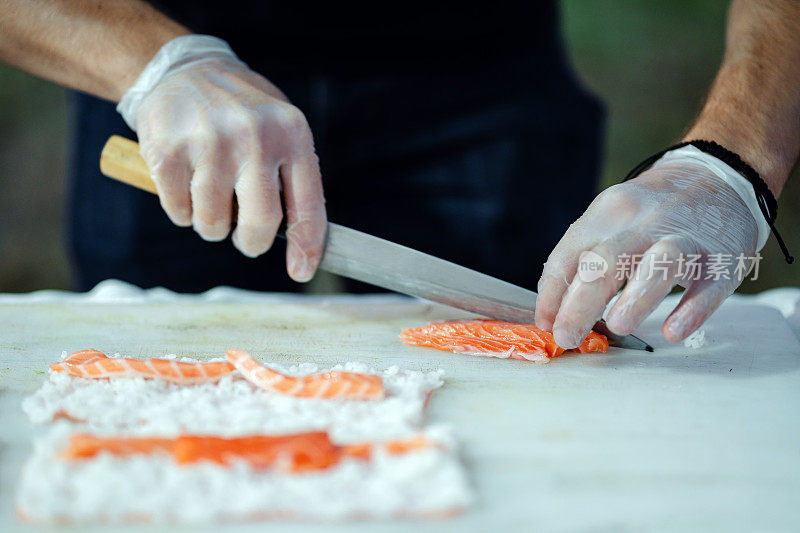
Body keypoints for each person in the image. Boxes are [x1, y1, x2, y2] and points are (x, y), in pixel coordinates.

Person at [0, 1, 796, 347]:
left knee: (532, 373)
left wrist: (727, 162)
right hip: (174, 109)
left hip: (482, 76)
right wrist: (156, 65)